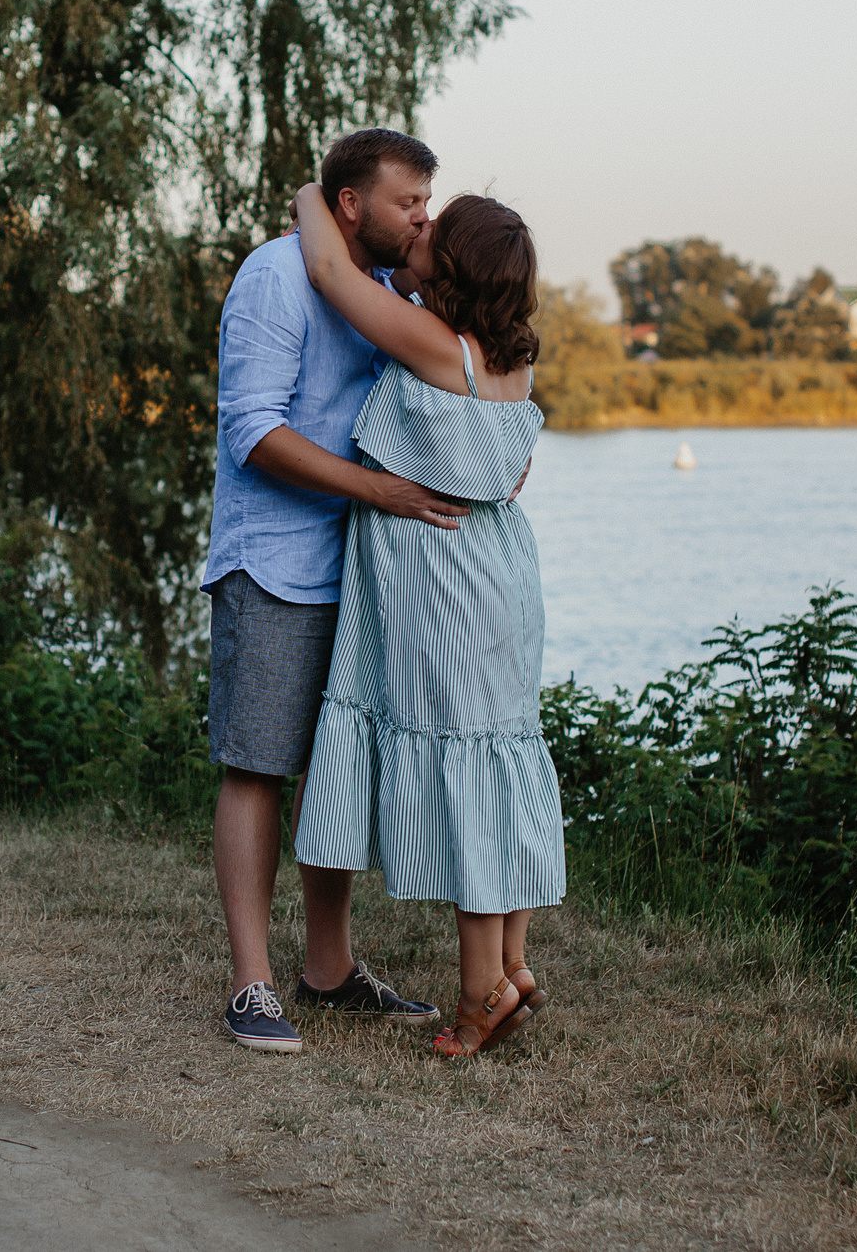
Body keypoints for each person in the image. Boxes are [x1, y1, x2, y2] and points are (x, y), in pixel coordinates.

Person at [202, 129, 469, 1054]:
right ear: (351, 204)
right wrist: (384, 492)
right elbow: (254, 435)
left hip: (360, 566)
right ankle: (252, 984)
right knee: (257, 764)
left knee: (337, 768)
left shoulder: (388, 290)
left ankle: (328, 970)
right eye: (409, 202)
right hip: (272, 560)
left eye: (428, 202)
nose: (422, 218)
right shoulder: (275, 279)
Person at [288, 183, 566, 1058]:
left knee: (468, 769)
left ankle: (479, 993)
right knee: (497, 754)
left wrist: (314, 191)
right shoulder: (506, 358)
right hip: (499, 575)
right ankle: (512, 965)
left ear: (456, 266)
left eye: (433, 226)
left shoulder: (439, 347)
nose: (418, 224)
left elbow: (332, 271)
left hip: (446, 583)